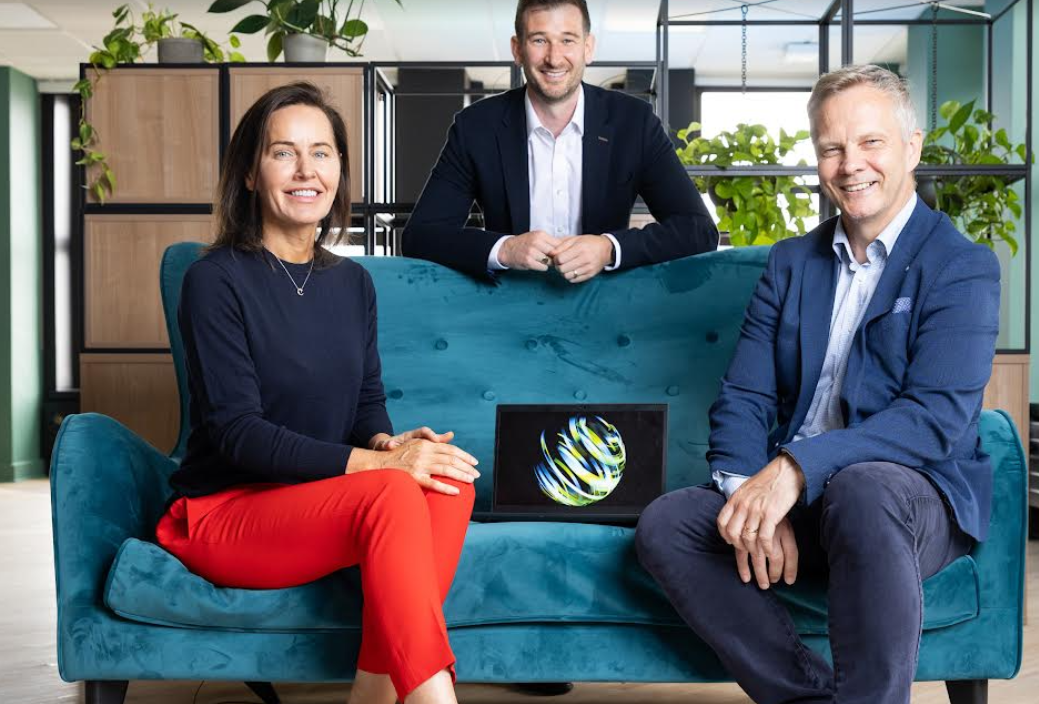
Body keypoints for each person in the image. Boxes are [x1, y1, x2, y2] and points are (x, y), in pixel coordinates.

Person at [634, 65, 1003, 704]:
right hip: (801, 498)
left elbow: (934, 418)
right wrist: (752, 501)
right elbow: (745, 397)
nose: (850, 164)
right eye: (832, 148)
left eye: (870, 142)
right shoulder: (790, 262)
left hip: (911, 500)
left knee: (863, 488)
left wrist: (796, 470)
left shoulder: (960, 265)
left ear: (911, 147)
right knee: (669, 523)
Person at [157, 82, 480, 704]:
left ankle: (374, 689)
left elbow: (364, 404)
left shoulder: (352, 282)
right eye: (284, 153)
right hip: (224, 513)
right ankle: (429, 693)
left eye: (322, 152)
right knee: (393, 489)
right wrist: (383, 467)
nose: (306, 170)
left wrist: (387, 442)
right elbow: (238, 434)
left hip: (318, 500)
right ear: (250, 174)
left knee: (448, 482)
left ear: (339, 170)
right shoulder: (213, 279)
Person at [401, 0, 718, 283]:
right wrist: (505, 249)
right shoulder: (476, 127)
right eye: (539, 40)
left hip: (604, 305)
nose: (554, 58)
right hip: (510, 305)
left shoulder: (635, 123)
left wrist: (609, 248)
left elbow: (698, 230)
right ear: (517, 49)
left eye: (567, 40)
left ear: (588, 48)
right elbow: (421, 236)